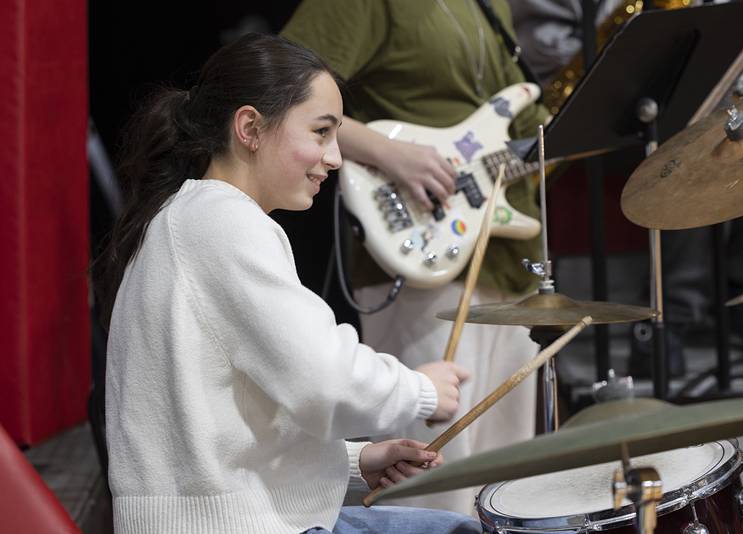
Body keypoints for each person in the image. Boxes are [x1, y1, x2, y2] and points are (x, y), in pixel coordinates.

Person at [95, 33, 481, 534]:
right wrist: (421, 391)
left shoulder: (190, 217)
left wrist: (352, 465)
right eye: (321, 133)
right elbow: (325, 378)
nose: (336, 157)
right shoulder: (222, 222)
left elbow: (235, 426)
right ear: (251, 127)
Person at [282, 0, 551, 515]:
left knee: (506, 479)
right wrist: (390, 152)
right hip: (418, 252)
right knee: (435, 480)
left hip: (506, 258)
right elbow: (278, 93)